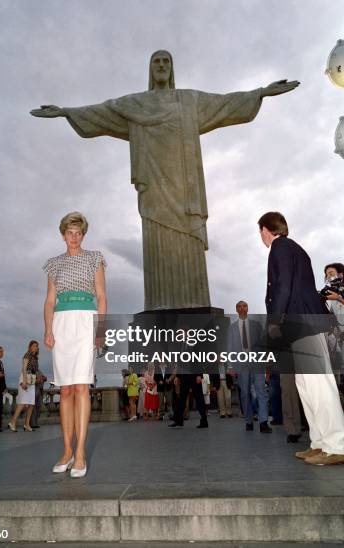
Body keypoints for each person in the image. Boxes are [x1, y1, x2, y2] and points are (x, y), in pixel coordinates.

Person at [31, 52, 299, 311]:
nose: (161, 65)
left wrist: (261, 92)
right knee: (157, 243)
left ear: (171, 68)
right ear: (150, 69)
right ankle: (160, 303)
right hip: (154, 189)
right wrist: (66, 112)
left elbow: (225, 103)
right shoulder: (136, 104)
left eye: (165, 61)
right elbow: (103, 111)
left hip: (185, 189)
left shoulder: (188, 100)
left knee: (188, 243)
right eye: (156, 61)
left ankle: (194, 301)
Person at [258, 211, 344, 464]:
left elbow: (282, 285)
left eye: (260, 232)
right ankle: (319, 443)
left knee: (318, 385)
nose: (260, 237)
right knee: (306, 387)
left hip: (301, 323)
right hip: (299, 325)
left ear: (265, 229)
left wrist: (274, 321)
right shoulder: (292, 248)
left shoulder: (280, 246)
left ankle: (337, 444)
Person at [43, 211, 106, 478]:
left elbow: (102, 297)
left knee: (82, 385)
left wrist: (100, 330)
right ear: (63, 234)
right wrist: (48, 329)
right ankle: (67, 450)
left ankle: (80, 452)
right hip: (61, 323)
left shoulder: (95, 259)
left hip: (85, 322)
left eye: (79, 233)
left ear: (83, 234)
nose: (74, 237)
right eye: (70, 232)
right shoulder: (53, 264)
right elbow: (49, 301)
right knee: (66, 389)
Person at [227, 301, 272, 433]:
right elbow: (230, 347)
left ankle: (263, 422)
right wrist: (230, 366)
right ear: (236, 310)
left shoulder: (256, 325)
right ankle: (248, 420)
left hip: (257, 362)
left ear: (248, 308)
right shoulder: (232, 328)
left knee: (261, 392)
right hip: (241, 364)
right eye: (239, 306)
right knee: (245, 393)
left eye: (244, 306)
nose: (242, 308)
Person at [8, 340, 40, 432]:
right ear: (30, 347)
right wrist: (24, 381)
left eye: (37, 346)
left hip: (32, 380)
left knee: (31, 403)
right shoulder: (27, 355)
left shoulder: (35, 358)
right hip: (25, 378)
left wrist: (36, 378)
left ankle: (26, 424)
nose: (35, 347)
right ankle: (12, 422)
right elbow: (24, 368)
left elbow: (35, 370)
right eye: (34, 346)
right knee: (22, 402)